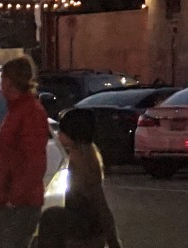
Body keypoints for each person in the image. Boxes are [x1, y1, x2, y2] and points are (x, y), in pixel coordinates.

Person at [0, 55, 51, 248]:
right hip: (6, 203)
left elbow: (35, 161)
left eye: (3, 79)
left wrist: (14, 198)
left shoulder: (29, 113)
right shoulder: (17, 111)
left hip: (16, 206)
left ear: (10, 82)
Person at [32, 105, 123, 248]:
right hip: (85, 231)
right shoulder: (83, 155)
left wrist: (113, 241)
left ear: (74, 133)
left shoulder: (82, 162)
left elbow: (99, 204)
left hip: (83, 234)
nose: (59, 135)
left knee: (50, 218)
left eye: (62, 131)